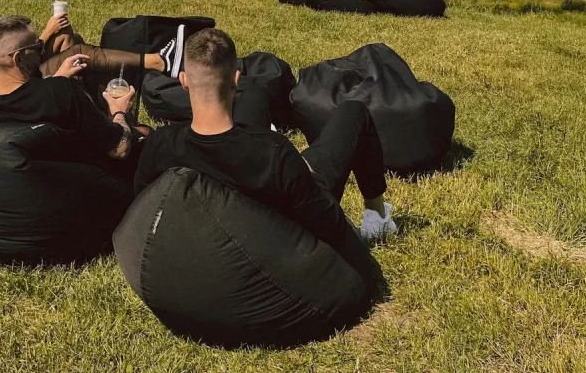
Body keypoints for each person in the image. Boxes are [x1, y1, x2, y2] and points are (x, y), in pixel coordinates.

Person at [134, 28, 397, 244]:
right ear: (235, 79)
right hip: (281, 228)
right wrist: (300, 171)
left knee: (255, 96)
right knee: (354, 112)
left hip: (216, 233)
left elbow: (141, 207)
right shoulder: (274, 151)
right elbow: (327, 224)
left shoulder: (160, 144)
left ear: (183, 81)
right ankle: (377, 216)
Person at [0, 16, 139, 174]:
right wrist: (119, 113)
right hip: (86, 181)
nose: (42, 51)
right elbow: (119, 149)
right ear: (18, 59)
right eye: (37, 47)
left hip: (33, 184)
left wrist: (56, 80)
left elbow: (29, 100)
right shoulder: (61, 91)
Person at [0, 0, 185, 79]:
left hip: (20, 66)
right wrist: (45, 33)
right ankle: (158, 61)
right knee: (78, 50)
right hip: (16, 77)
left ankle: (81, 88)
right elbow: (11, 59)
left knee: (68, 35)